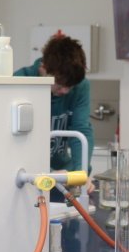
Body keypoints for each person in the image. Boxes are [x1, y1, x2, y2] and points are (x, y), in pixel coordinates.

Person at [14, 34, 94, 174]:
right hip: (28, 173)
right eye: (60, 84)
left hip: (62, 170)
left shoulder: (81, 86)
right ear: (43, 68)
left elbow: (81, 131)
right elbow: (14, 144)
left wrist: (81, 173)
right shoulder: (20, 81)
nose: (65, 91)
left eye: (70, 86)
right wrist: (48, 173)